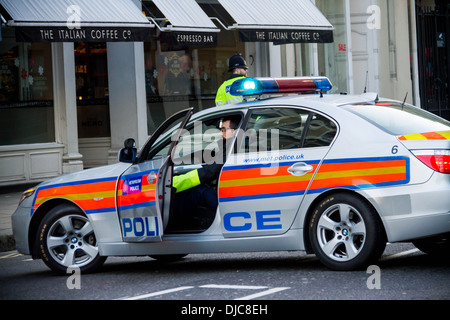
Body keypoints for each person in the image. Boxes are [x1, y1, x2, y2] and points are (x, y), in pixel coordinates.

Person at [172, 116, 241, 218]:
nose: (221, 133)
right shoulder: (230, 146)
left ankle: (174, 217)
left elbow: (210, 172)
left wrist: (175, 183)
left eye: (224, 130)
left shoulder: (231, 148)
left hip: (230, 197)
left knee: (200, 191)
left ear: (234, 132)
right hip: (228, 193)